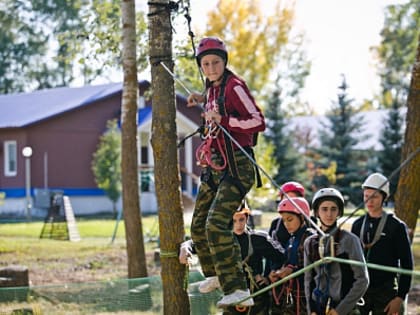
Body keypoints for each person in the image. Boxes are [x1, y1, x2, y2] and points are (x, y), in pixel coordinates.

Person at [186, 36, 266, 308]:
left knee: (216, 223)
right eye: (205, 64)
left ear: (224, 62)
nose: (210, 68)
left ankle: (238, 288)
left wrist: (225, 120)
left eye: (215, 63)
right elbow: (213, 109)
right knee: (197, 226)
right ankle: (216, 275)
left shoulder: (234, 86)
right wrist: (200, 98)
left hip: (236, 166)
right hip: (215, 167)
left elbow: (258, 121)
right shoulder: (210, 89)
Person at [180, 206, 285, 314]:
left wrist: (268, 276)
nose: (238, 224)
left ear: (247, 218)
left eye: (241, 219)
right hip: (230, 296)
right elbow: (197, 243)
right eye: (234, 220)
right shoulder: (220, 240)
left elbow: (281, 257)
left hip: (256, 296)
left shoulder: (258, 239)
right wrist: (185, 248)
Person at [351, 173, 414, 315]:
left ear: (384, 197)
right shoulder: (357, 225)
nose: (369, 201)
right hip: (361, 290)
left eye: (374, 196)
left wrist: (399, 298)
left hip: (386, 291)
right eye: (366, 196)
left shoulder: (396, 226)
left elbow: (407, 264)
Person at [304, 187, 369, 315]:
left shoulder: (350, 240)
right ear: (316, 212)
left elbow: (362, 280)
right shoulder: (310, 243)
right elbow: (308, 280)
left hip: (345, 309)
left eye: (333, 209)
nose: (329, 214)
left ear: (339, 212)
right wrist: (311, 310)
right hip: (318, 307)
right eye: (324, 209)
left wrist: (340, 310)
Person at [268, 197, 316, 315]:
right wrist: (278, 273)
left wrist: (292, 270)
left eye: (290, 219)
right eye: (284, 221)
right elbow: (289, 262)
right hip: (292, 295)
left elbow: (315, 268)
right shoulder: (290, 240)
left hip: (308, 296)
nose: (286, 224)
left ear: (302, 217)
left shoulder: (311, 238)